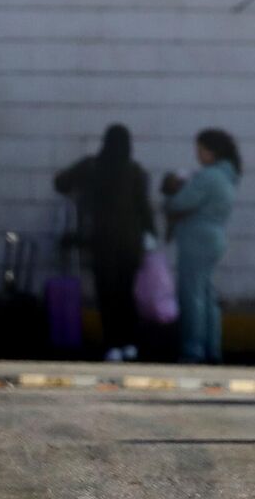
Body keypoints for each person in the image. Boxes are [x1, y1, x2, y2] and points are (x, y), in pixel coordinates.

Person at [55, 124, 156, 362]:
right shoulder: (134, 171)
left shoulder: (92, 166)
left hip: (102, 241)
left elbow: (61, 183)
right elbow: (144, 208)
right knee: (126, 293)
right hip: (130, 243)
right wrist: (151, 234)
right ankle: (130, 343)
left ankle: (113, 344)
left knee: (107, 294)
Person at [162, 129, 240, 365]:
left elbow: (179, 203)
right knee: (207, 296)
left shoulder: (209, 177)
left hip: (197, 239)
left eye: (200, 150)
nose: (197, 156)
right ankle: (212, 348)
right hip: (214, 237)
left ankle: (193, 348)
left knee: (192, 295)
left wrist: (172, 189)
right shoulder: (228, 176)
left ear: (212, 151)